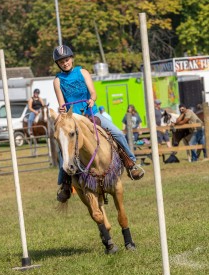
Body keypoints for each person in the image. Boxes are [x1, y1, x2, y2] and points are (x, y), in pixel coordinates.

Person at [52, 45, 144, 202]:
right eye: (61, 61)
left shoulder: (83, 72)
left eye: (67, 59)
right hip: (73, 117)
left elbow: (93, 92)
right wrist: (62, 110)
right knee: (64, 150)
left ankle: (131, 163)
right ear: (58, 64)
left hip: (91, 112)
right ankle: (65, 185)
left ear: (72, 59)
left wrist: (92, 99)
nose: (65, 63)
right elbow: (61, 103)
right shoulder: (57, 81)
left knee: (117, 132)